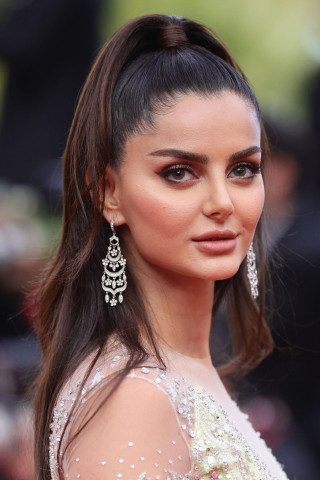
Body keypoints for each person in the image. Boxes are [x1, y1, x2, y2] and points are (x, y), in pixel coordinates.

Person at [33, 14, 289, 480]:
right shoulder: (133, 400)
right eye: (179, 173)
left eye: (242, 170)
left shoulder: (180, 374)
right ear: (108, 193)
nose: (222, 202)